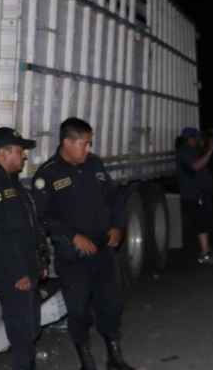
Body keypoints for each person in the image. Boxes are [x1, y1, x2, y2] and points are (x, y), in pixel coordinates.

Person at [31, 117, 135, 370]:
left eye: (90, 144)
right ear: (68, 142)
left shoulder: (95, 165)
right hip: (74, 255)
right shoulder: (47, 174)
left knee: (111, 304)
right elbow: (42, 216)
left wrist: (117, 227)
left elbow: (114, 198)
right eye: (85, 144)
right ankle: (86, 361)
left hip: (103, 251)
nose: (89, 150)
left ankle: (115, 357)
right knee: (78, 310)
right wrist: (72, 235)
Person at [0, 127, 48, 370]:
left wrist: (40, 264)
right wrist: (17, 273)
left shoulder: (12, 184)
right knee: (22, 335)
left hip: (27, 270)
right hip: (12, 275)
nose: (24, 155)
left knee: (31, 329)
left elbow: (29, 227)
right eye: (20, 150)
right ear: (3, 153)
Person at [175, 127, 213, 264]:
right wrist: (211, 150)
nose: (200, 139)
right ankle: (204, 253)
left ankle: (207, 250)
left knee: (206, 221)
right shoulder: (184, 152)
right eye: (197, 137)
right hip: (192, 195)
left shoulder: (192, 151)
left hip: (198, 194)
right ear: (191, 138)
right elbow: (196, 166)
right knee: (202, 223)